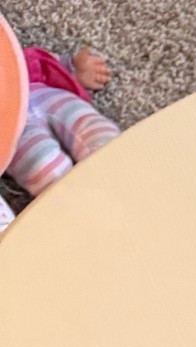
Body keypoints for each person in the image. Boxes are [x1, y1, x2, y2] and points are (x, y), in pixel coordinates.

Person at [1, 42, 119, 233]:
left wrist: (72, 68)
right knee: (44, 164)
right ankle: (80, 212)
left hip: (39, 89)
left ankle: (118, 165)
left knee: (96, 130)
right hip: (10, 127)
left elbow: (40, 62)